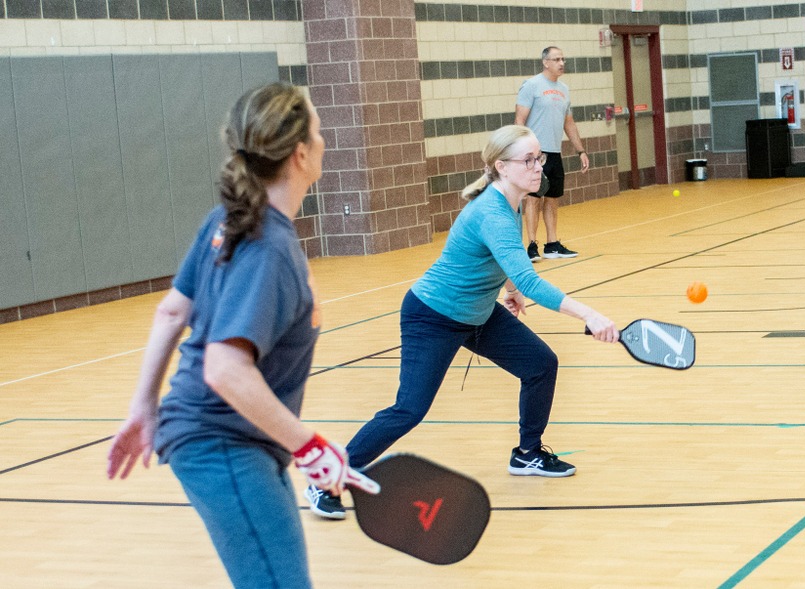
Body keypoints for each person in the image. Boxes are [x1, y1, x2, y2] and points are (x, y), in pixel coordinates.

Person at [106, 83, 378, 588]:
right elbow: (225, 368)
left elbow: (170, 313)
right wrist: (310, 446)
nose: (324, 141)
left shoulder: (230, 220)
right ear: (300, 154)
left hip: (239, 440)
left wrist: (144, 405)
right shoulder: (268, 247)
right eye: (319, 132)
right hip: (221, 442)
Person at [305, 125, 619, 519]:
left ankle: (527, 453)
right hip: (432, 316)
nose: (539, 167)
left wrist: (507, 289)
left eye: (539, 158)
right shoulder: (493, 212)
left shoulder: (512, 200)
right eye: (529, 160)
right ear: (502, 167)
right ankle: (325, 478)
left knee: (540, 364)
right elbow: (528, 277)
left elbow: (504, 263)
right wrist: (587, 313)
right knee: (409, 409)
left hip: (478, 313)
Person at [515, 46, 590, 261]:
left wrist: (580, 151)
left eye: (563, 59)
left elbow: (569, 123)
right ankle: (531, 246)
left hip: (555, 153)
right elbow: (519, 120)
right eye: (557, 59)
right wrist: (526, 151)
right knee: (533, 199)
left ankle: (552, 244)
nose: (561, 63)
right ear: (545, 62)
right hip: (535, 154)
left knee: (553, 198)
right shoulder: (531, 86)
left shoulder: (564, 89)